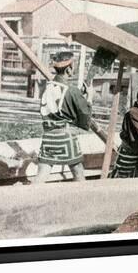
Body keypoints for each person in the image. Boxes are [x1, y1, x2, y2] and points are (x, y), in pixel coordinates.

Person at [33, 51, 93, 183]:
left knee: (41, 174)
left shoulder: (46, 87)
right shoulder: (72, 90)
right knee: (78, 173)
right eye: (74, 66)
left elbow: (58, 105)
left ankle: (29, 198)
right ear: (69, 69)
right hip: (65, 137)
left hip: (48, 136)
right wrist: (89, 99)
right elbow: (84, 115)